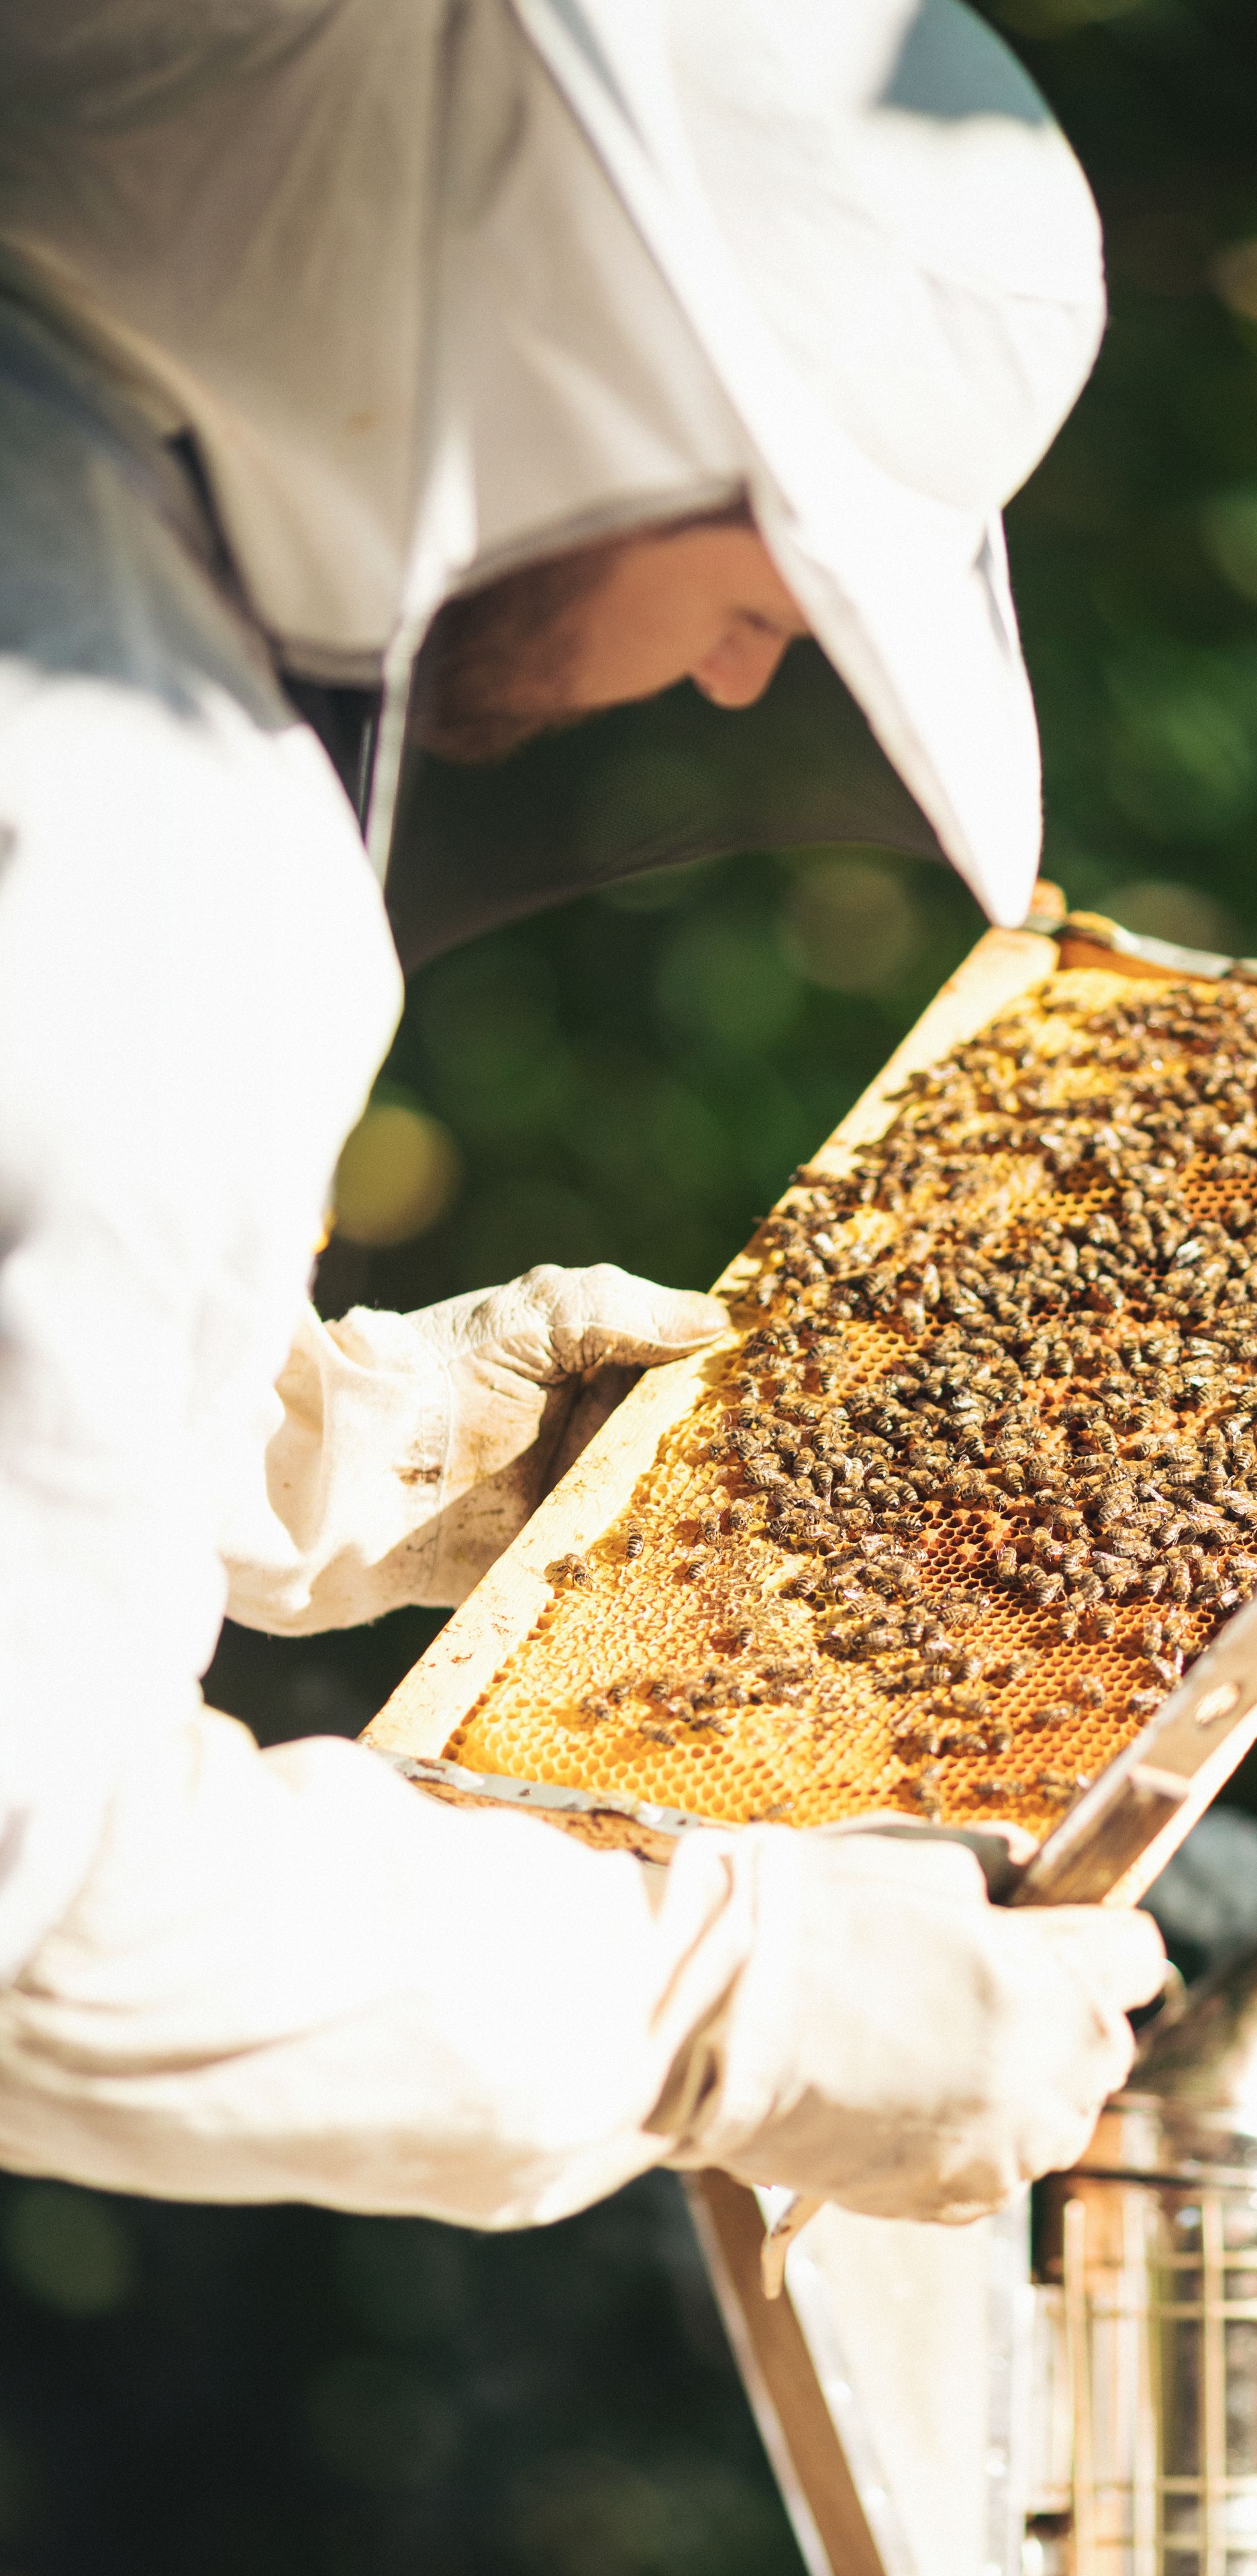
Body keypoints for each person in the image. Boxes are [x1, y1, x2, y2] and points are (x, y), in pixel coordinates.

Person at [0, 0, 1166, 2235]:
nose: (752, 671)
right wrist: (734, 2007)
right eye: (783, 565)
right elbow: (45, 1900)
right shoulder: (133, 816)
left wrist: (344, 1445)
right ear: (608, 385)